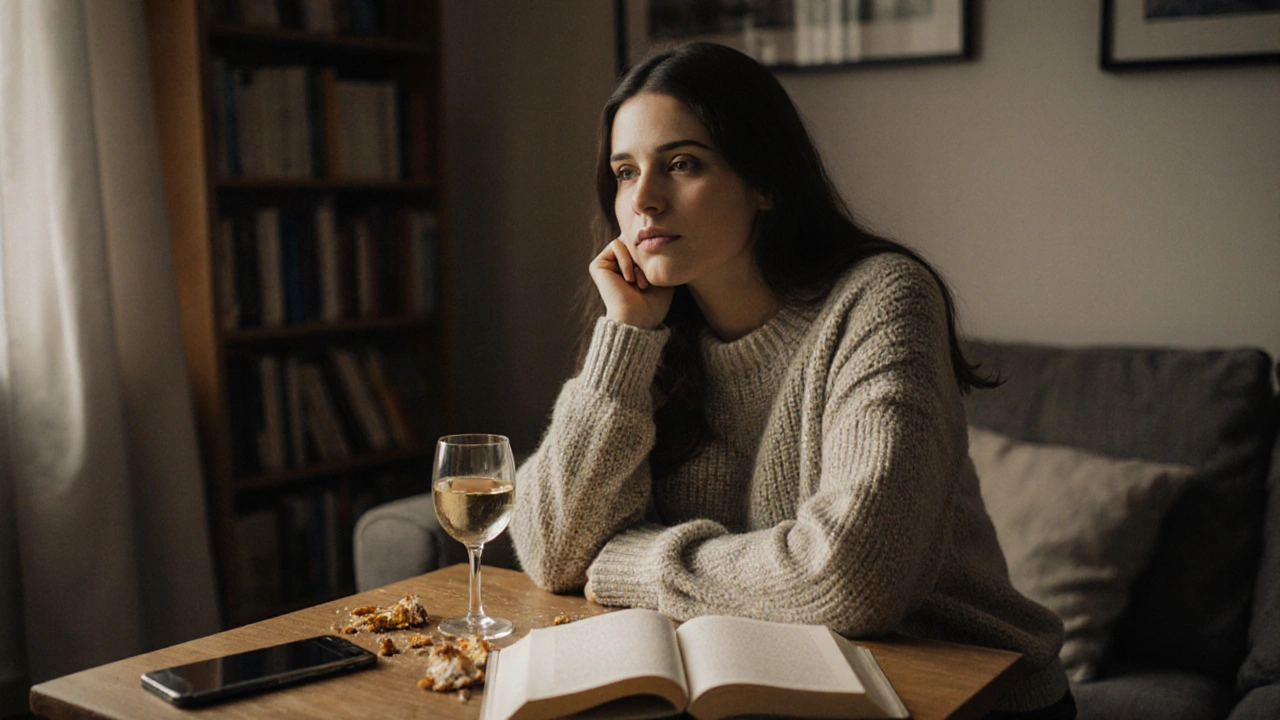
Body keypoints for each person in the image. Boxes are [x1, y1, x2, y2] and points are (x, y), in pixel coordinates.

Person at [509, 42, 1075, 719]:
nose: (644, 201)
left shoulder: (883, 299)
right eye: (625, 172)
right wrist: (625, 337)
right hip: (773, 691)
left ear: (765, 182)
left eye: (683, 164)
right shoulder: (650, 336)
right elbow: (554, 552)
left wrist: (629, 564)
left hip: (964, 694)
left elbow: (853, 578)